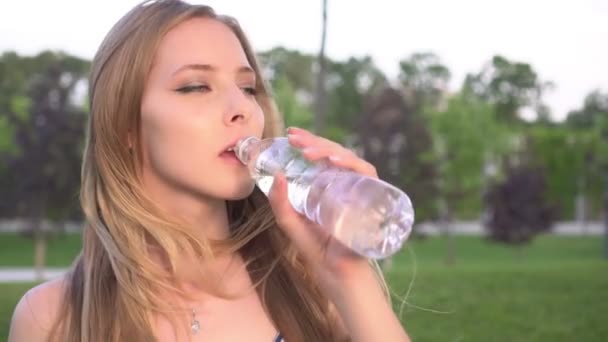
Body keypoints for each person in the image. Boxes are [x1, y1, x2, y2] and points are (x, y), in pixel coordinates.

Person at [8, 1, 410, 341]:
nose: (243, 109)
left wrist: (349, 279)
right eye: (196, 86)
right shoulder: (54, 319)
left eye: (248, 87)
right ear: (125, 126)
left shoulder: (311, 284)